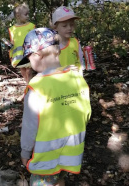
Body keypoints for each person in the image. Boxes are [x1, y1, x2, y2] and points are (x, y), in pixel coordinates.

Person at [17, 28, 91, 186]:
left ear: (37, 55)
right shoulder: (77, 77)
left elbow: (30, 127)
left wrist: (25, 151)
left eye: (29, 57)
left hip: (46, 159)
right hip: (72, 153)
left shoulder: (37, 88)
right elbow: (86, 113)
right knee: (60, 178)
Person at [52, 6, 85, 74]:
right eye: (64, 26)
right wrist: (63, 69)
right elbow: (48, 69)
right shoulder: (52, 46)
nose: (69, 28)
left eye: (72, 25)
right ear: (55, 28)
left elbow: (80, 62)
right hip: (60, 82)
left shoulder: (75, 42)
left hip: (75, 80)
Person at [8, 2, 36, 83]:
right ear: (18, 16)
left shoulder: (31, 26)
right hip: (18, 55)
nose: (28, 16)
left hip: (28, 53)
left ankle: (30, 86)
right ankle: (28, 85)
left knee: (29, 71)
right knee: (23, 72)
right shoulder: (12, 29)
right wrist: (10, 46)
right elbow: (12, 42)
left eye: (28, 14)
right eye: (25, 14)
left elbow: (35, 38)